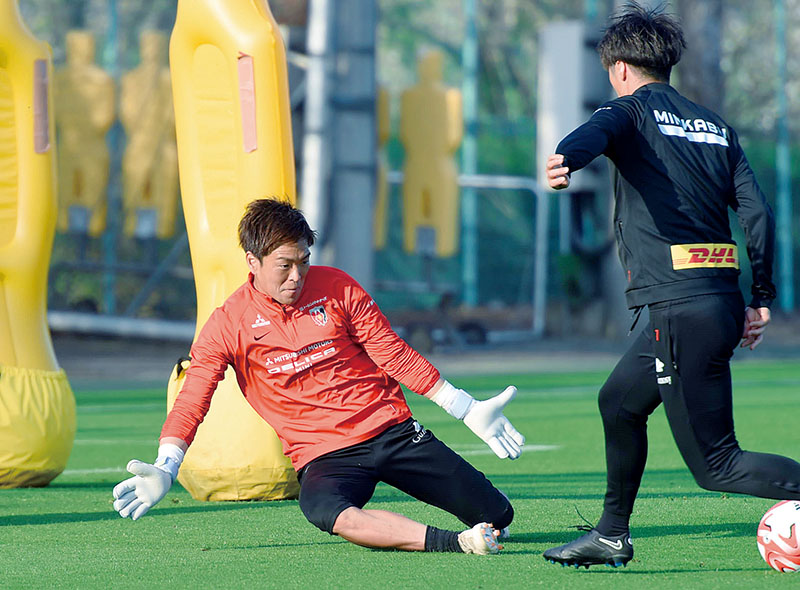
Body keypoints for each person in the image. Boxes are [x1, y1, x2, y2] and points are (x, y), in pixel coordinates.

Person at [112, 198, 525, 555]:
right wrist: (167, 465)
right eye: (284, 265)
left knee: (499, 516)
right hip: (323, 455)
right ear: (252, 262)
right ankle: (457, 542)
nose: (297, 275)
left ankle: (484, 510)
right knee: (328, 512)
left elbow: (392, 353)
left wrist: (465, 407)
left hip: (391, 431)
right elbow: (193, 397)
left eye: (304, 261)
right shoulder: (227, 323)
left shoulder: (338, 287)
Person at [542, 2, 800, 569]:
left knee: (718, 466)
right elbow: (758, 216)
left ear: (619, 69)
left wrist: (565, 159)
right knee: (618, 402)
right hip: (716, 301)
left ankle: (613, 534)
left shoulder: (628, 109)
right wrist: (760, 298)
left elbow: (593, 132)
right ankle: (611, 535)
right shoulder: (716, 127)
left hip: (679, 307)